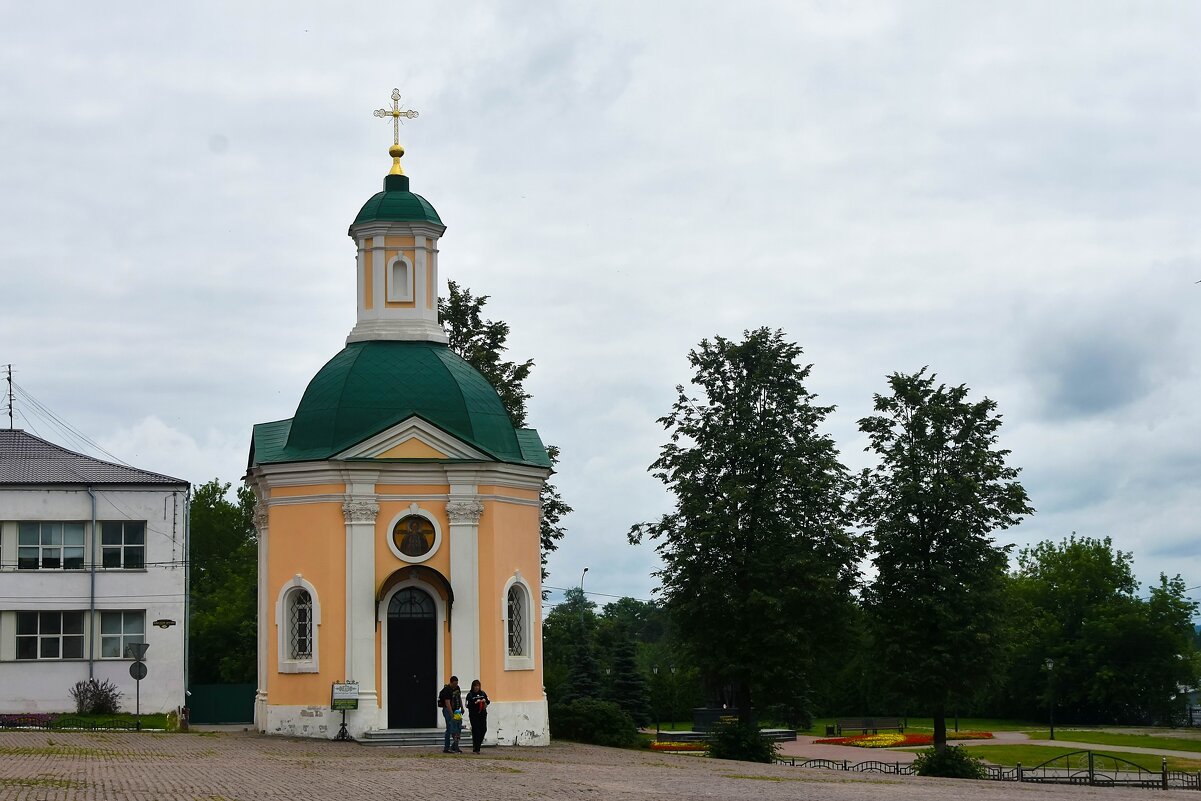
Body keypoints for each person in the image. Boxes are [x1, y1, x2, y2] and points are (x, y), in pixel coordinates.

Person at [438, 675, 463, 753]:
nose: (456, 685)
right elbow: (447, 703)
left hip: (457, 711)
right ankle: (446, 747)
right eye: (454, 683)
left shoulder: (457, 688)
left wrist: (462, 707)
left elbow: (459, 697)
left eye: (457, 683)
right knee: (450, 728)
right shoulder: (447, 690)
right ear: (451, 682)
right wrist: (451, 714)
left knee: (458, 728)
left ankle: (455, 746)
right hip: (448, 710)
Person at [464, 679, 490, 753]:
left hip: (482, 714)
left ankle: (477, 745)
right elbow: (467, 705)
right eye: (475, 686)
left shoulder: (483, 693)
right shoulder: (470, 695)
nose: (476, 688)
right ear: (472, 687)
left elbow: (488, 701)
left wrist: (484, 701)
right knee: (476, 731)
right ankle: (476, 748)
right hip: (474, 715)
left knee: (483, 729)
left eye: (478, 686)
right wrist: (475, 702)